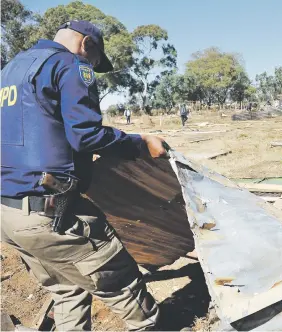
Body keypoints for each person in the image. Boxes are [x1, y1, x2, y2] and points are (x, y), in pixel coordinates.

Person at [0, 20, 166, 331]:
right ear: (87, 44)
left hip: (8, 214)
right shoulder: (70, 64)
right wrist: (138, 144)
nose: (90, 66)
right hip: (51, 213)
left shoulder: (11, 69)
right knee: (120, 280)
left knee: (67, 290)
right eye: (94, 59)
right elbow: (85, 135)